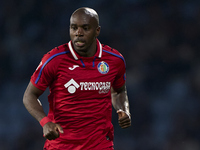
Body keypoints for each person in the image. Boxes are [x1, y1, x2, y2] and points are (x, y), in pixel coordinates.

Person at [23, 7, 131, 150]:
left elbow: (118, 91)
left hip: (100, 144)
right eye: (74, 28)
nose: (78, 33)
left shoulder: (115, 60)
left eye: (85, 28)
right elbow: (29, 95)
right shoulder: (54, 59)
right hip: (61, 145)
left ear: (97, 31)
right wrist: (45, 122)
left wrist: (123, 109)